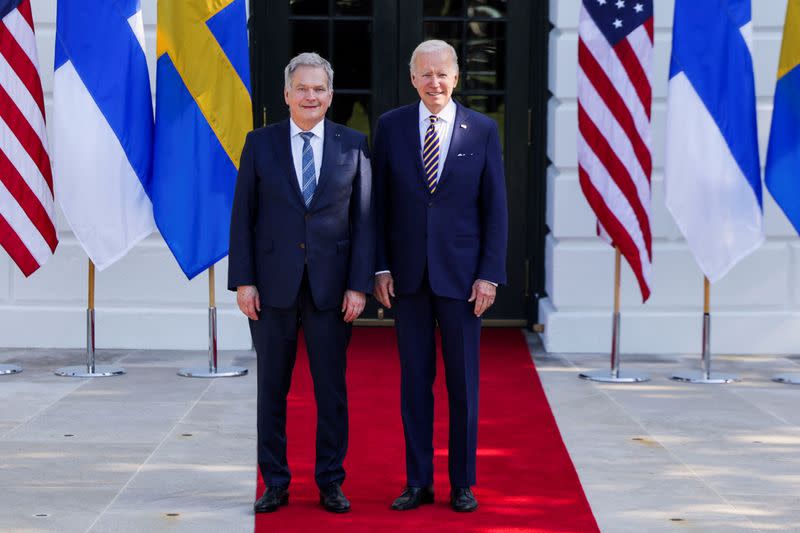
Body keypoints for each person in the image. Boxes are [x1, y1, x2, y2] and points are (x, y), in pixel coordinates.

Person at [228, 52, 374, 514]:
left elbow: (364, 220)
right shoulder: (259, 143)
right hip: (271, 289)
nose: (311, 96)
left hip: (332, 290)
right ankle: (275, 482)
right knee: (271, 388)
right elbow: (243, 218)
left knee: (331, 391)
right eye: (302, 88)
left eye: (319, 89)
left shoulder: (354, 144)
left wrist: (358, 285)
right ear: (287, 94)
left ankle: (330, 481)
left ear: (331, 96)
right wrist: (243, 281)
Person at [372, 39, 508, 513]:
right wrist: (381, 265)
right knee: (414, 383)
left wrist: (489, 274)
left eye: (442, 73)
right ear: (413, 78)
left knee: (463, 384)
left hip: (464, 280)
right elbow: (378, 206)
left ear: (456, 78)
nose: (434, 82)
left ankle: (462, 483)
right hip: (407, 279)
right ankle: (418, 481)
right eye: (425, 74)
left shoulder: (483, 130)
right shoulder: (389, 128)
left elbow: (496, 210)